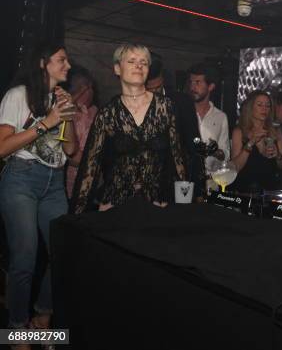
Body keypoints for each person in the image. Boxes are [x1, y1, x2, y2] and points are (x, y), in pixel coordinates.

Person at [0, 41, 76, 341]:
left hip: (54, 182)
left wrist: (67, 116)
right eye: (62, 60)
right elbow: (2, 147)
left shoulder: (58, 98)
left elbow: (71, 149)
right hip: (21, 178)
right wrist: (46, 122)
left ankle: (42, 317)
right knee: (25, 258)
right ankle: (16, 330)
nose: (68, 66)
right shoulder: (19, 95)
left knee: (65, 251)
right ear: (44, 63)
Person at [71, 43, 186, 214]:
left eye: (144, 62)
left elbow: (179, 162)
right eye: (131, 61)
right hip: (116, 207)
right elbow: (90, 169)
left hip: (157, 207)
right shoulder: (107, 114)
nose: (139, 65)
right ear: (117, 68)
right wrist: (78, 216)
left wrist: (181, 208)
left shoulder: (166, 108)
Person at [145, 53, 201, 196]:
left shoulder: (182, 102)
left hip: (175, 182)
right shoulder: (130, 105)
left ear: (163, 80)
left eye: (157, 88)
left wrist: (198, 189)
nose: (153, 94)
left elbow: (194, 146)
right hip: (143, 183)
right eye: (148, 89)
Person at [230, 90, 282, 193]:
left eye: (267, 105)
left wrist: (278, 155)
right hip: (244, 192)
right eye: (260, 105)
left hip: (269, 192)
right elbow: (235, 167)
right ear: (250, 107)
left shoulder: (275, 131)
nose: (264, 109)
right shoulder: (239, 132)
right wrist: (250, 143)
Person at [187, 63, 229, 192]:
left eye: (198, 82)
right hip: (186, 181)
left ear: (210, 87)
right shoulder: (182, 112)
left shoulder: (220, 117)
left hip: (211, 183)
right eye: (191, 82)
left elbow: (225, 154)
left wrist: (214, 151)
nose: (193, 87)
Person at [65, 65, 98, 198]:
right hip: (71, 185)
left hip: (92, 185)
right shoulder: (66, 114)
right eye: (89, 88)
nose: (92, 92)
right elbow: (72, 156)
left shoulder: (94, 111)